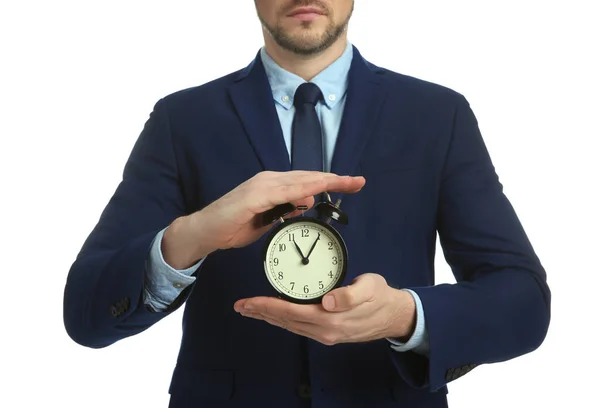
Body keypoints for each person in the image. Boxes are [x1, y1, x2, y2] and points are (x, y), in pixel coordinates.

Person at [63, 1, 551, 407]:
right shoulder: (182, 120)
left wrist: (406, 315)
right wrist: (190, 236)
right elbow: (86, 314)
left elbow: (523, 300)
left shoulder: (437, 114)